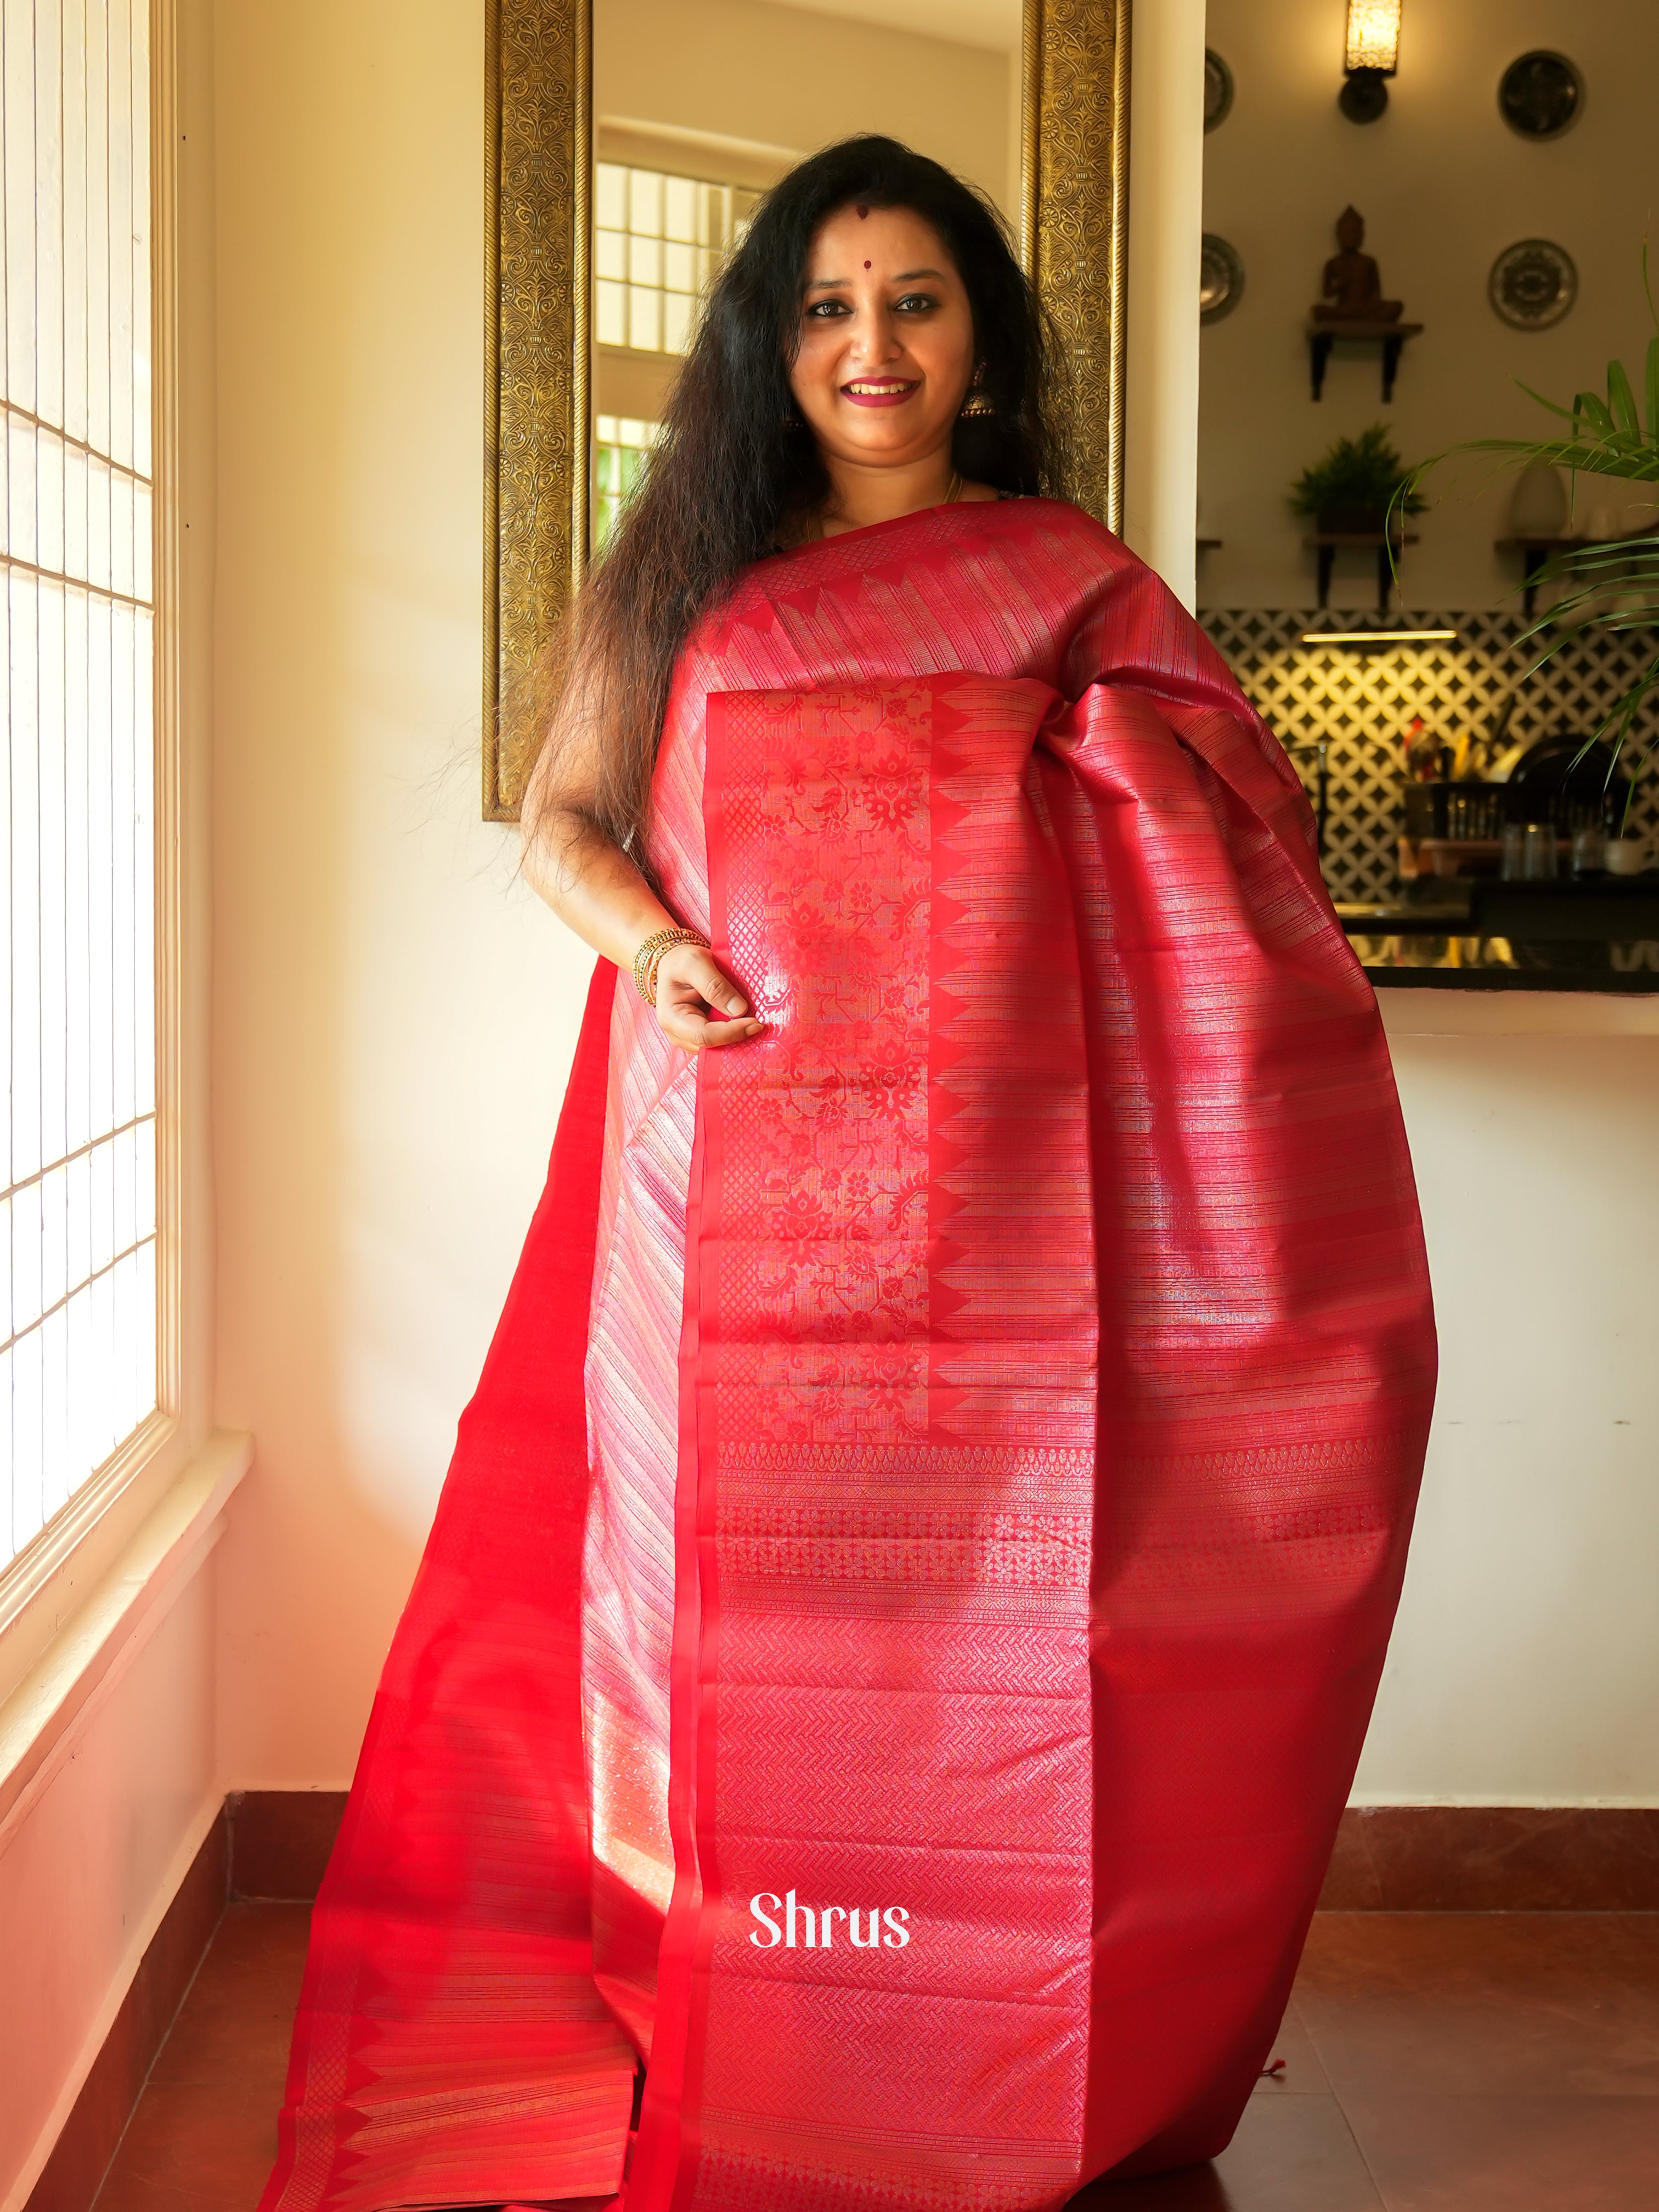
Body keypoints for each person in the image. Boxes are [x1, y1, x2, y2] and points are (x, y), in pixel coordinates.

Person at [261, 137, 1435, 2212]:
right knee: (719, 1622)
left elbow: (1243, 846)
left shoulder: (1074, 582)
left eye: (914, 301)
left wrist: (1100, 775)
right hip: (730, 1191)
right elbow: (564, 826)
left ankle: (1015, 2053)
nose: (870, 346)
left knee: (1023, 1618)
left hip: (1021, 1211)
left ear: (978, 335)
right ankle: (758, 2006)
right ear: (770, 342)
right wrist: (660, 947)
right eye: (825, 305)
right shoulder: (697, 567)